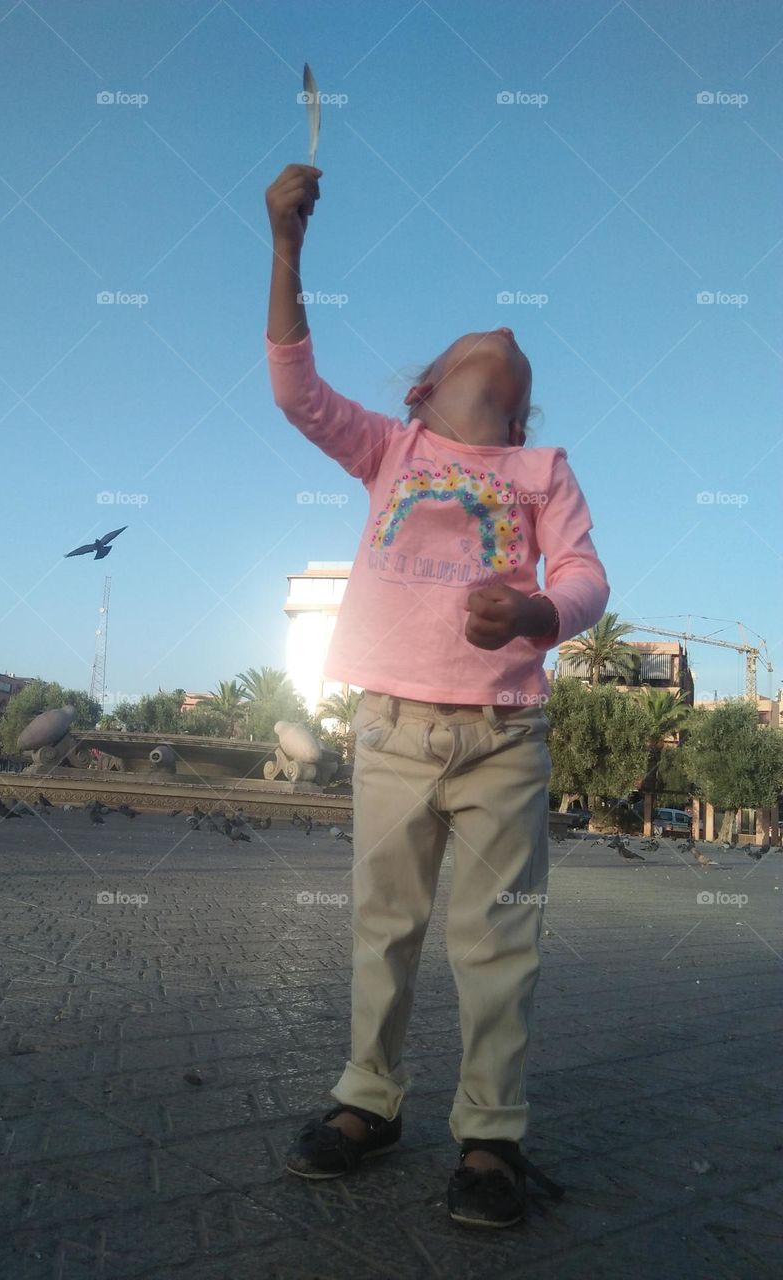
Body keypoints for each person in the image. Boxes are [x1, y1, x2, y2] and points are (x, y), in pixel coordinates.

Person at [264, 164, 610, 1229]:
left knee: (500, 934)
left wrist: (538, 617)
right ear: (421, 390)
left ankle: (491, 1133)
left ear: (520, 408)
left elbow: (588, 578)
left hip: (506, 736)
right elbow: (292, 388)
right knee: (385, 923)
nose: (500, 330)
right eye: (471, 339)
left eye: (512, 354)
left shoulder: (544, 469)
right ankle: (371, 1098)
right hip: (397, 728)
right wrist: (285, 245)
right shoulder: (390, 447)